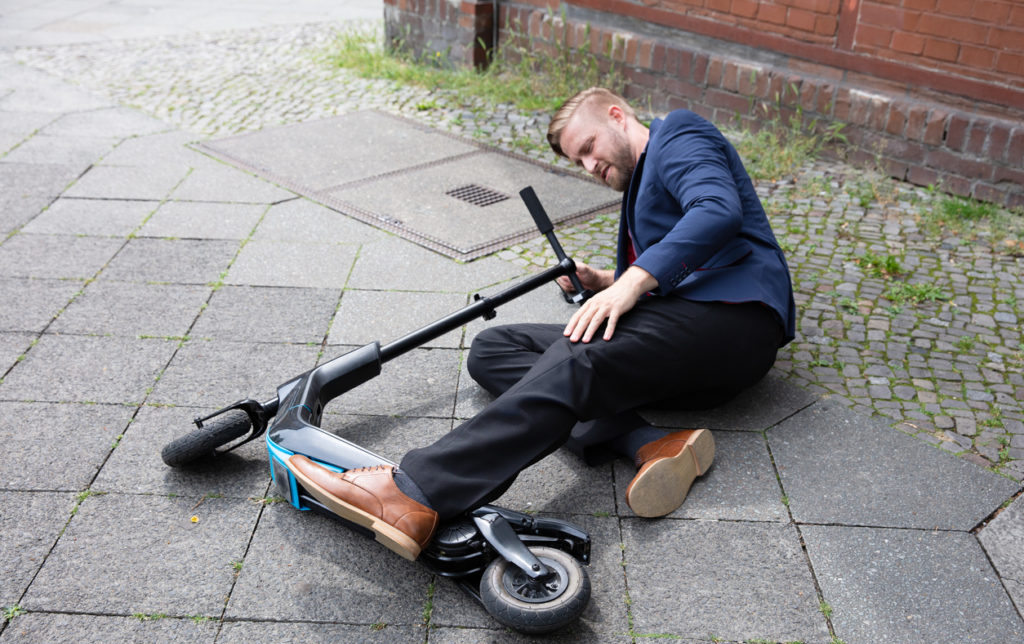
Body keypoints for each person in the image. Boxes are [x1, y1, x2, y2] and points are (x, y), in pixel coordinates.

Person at [285, 88, 796, 561]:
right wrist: (602, 280)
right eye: (580, 160)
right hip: (686, 331)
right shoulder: (640, 180)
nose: (590, 164)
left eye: (590, 147)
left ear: (617, 114)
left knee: (577, 356)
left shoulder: (679, 133)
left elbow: (715, 210)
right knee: (494, 348)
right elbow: (665, 263)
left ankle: (414, 492)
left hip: (735, 322)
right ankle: (647, 444)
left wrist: (632, 282)